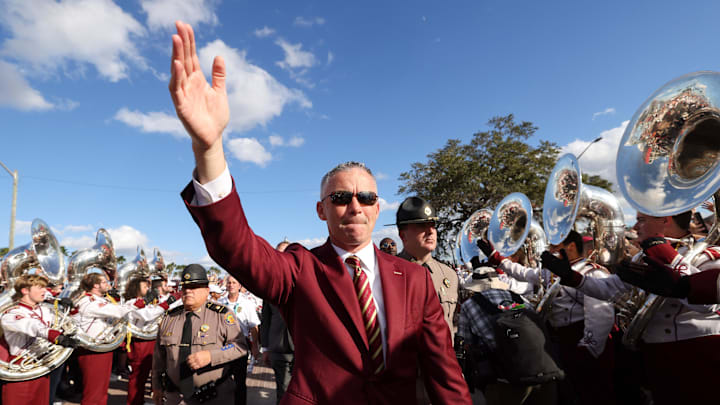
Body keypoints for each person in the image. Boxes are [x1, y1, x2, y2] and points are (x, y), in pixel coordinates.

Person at [170, 20, 471, 405]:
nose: (354, 206)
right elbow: (235, 246)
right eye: (341, 196)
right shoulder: (300, 269)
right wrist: (208, 149)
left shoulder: (415, 279)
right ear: (321, 210)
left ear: (378, 208)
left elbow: (443, 370)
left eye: (366, 197)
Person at [545, 211, 720, 405]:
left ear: (665, 220)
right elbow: (609, 288)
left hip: (697, 355)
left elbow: (708, 304)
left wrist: (669, 257)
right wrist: (572, 278)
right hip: (655, 354)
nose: (635, 227)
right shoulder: (643, 258)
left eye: (641, 220)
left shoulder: (707, 256)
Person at [478, 230, 616, 405]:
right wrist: (496, 257)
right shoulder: (552, 272)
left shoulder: (591, 273)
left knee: (594, 393)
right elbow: (524, 273)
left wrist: (587, 349)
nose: (549, 251)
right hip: (562, 340)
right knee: (571, 393)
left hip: (582, 340)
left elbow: (600, 317)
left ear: (571, 247)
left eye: (554, 247)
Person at [457, 270, 558, 405]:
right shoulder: (517, 298)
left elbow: (465, 342)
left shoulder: (468, 306)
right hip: (539, 370)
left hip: (504, 379)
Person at [151, 264, 247, 405]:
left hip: (213, 397)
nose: (189, 291)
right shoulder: (169, 318)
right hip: (175, 397)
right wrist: (157, 386)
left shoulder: (221, 315)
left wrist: (211, 356)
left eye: (195, 287)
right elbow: (159, 358)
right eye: (185, 287)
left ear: (206, 290)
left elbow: (239, 347)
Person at [0, 275, 76, 405]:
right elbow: (32, 325)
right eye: (40, 288)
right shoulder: (11, 313)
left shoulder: (46, 310)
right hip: (21, 369)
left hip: (43, 366)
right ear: (25, 290)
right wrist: (53, 335)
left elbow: (67, 324)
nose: (45, 291)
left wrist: (65, 309)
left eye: (45, 288)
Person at [72, 271, 145, 405]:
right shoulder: (89, 302)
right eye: (104, 282)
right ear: (95, 286)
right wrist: (136, 304)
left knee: (101, 391)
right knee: (93, 393)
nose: (108, 284)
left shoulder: (100, 300)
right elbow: (117, 312)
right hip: (92, 351)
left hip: (102, 348)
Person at [395, 197, 459, 341]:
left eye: (433, 225)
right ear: (402, 235)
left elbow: (452, 323)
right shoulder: (388, 273)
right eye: (421, 226)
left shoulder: (449, 275)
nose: (430, 231)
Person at [123, 277, 176, 405]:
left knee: (154, 372)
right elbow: (147, 315)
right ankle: (134, 402)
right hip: (140, 342)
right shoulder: (131, 303)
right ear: (136, 288)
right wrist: (165, 304)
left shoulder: (148, 303)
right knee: (138, 376)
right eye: (145, 287)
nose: (148, 289)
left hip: (151, 340)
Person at [260, 242, 295, 405]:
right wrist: (265, 347)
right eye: (279, 253)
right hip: (279, 349)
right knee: (283, 391)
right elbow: (265, 319)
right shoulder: (269, 285)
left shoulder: (306, 280)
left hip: (304, 350)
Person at [218, 275, 260, 405]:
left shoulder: (247, 303)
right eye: (229, 283)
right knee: (222, 379)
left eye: (234, 283)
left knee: (240, 380)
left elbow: (254, 327)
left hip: (240, 344)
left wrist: (255, 347)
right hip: (223, 345)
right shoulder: (220, 302)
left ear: (239, 286)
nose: (231, 285)